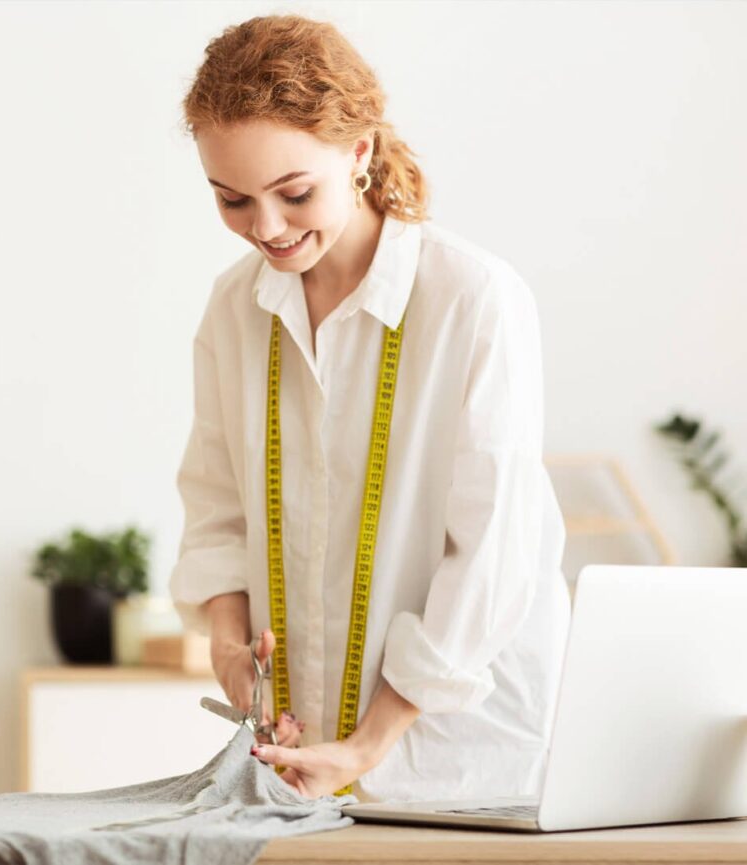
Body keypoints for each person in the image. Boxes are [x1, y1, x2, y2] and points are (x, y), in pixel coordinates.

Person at [169, 13, 571, 804]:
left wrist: (368, 742)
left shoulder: (473, 300)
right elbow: (216, 507)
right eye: (232, 200)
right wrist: (228, 643)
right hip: (306, 762)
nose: (267, 229)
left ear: (358, 153)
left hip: (461, 760)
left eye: (294, 193)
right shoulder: (234, 307)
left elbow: (493, 555)